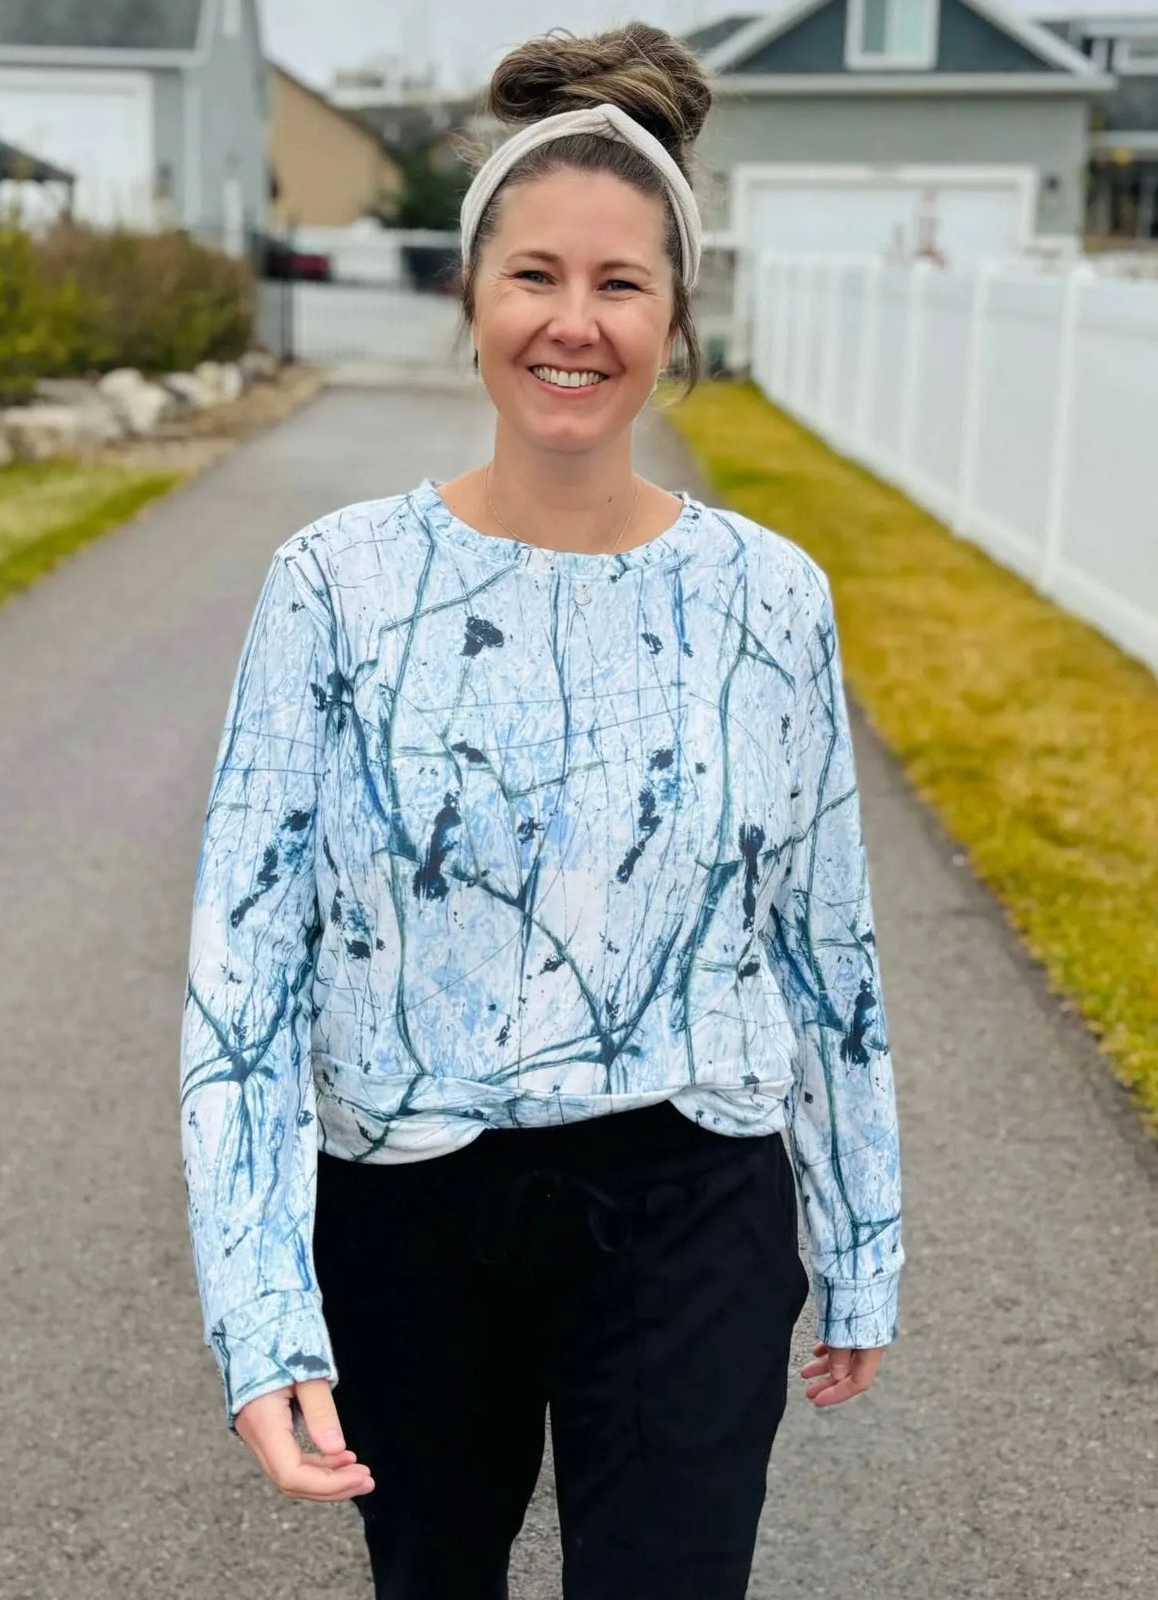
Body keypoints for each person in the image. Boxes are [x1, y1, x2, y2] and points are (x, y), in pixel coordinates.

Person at [179, 22, 904, 1600]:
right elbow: (245, 970)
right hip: (411, 1208)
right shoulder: (337, 588)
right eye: (535, 277)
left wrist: (861, 1228)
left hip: (693, 1202)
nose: (574, 325)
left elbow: (822, 937)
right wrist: (259, 1313)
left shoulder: (770, 598)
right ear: (473, 295)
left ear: (676, 316)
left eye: (621, 284)